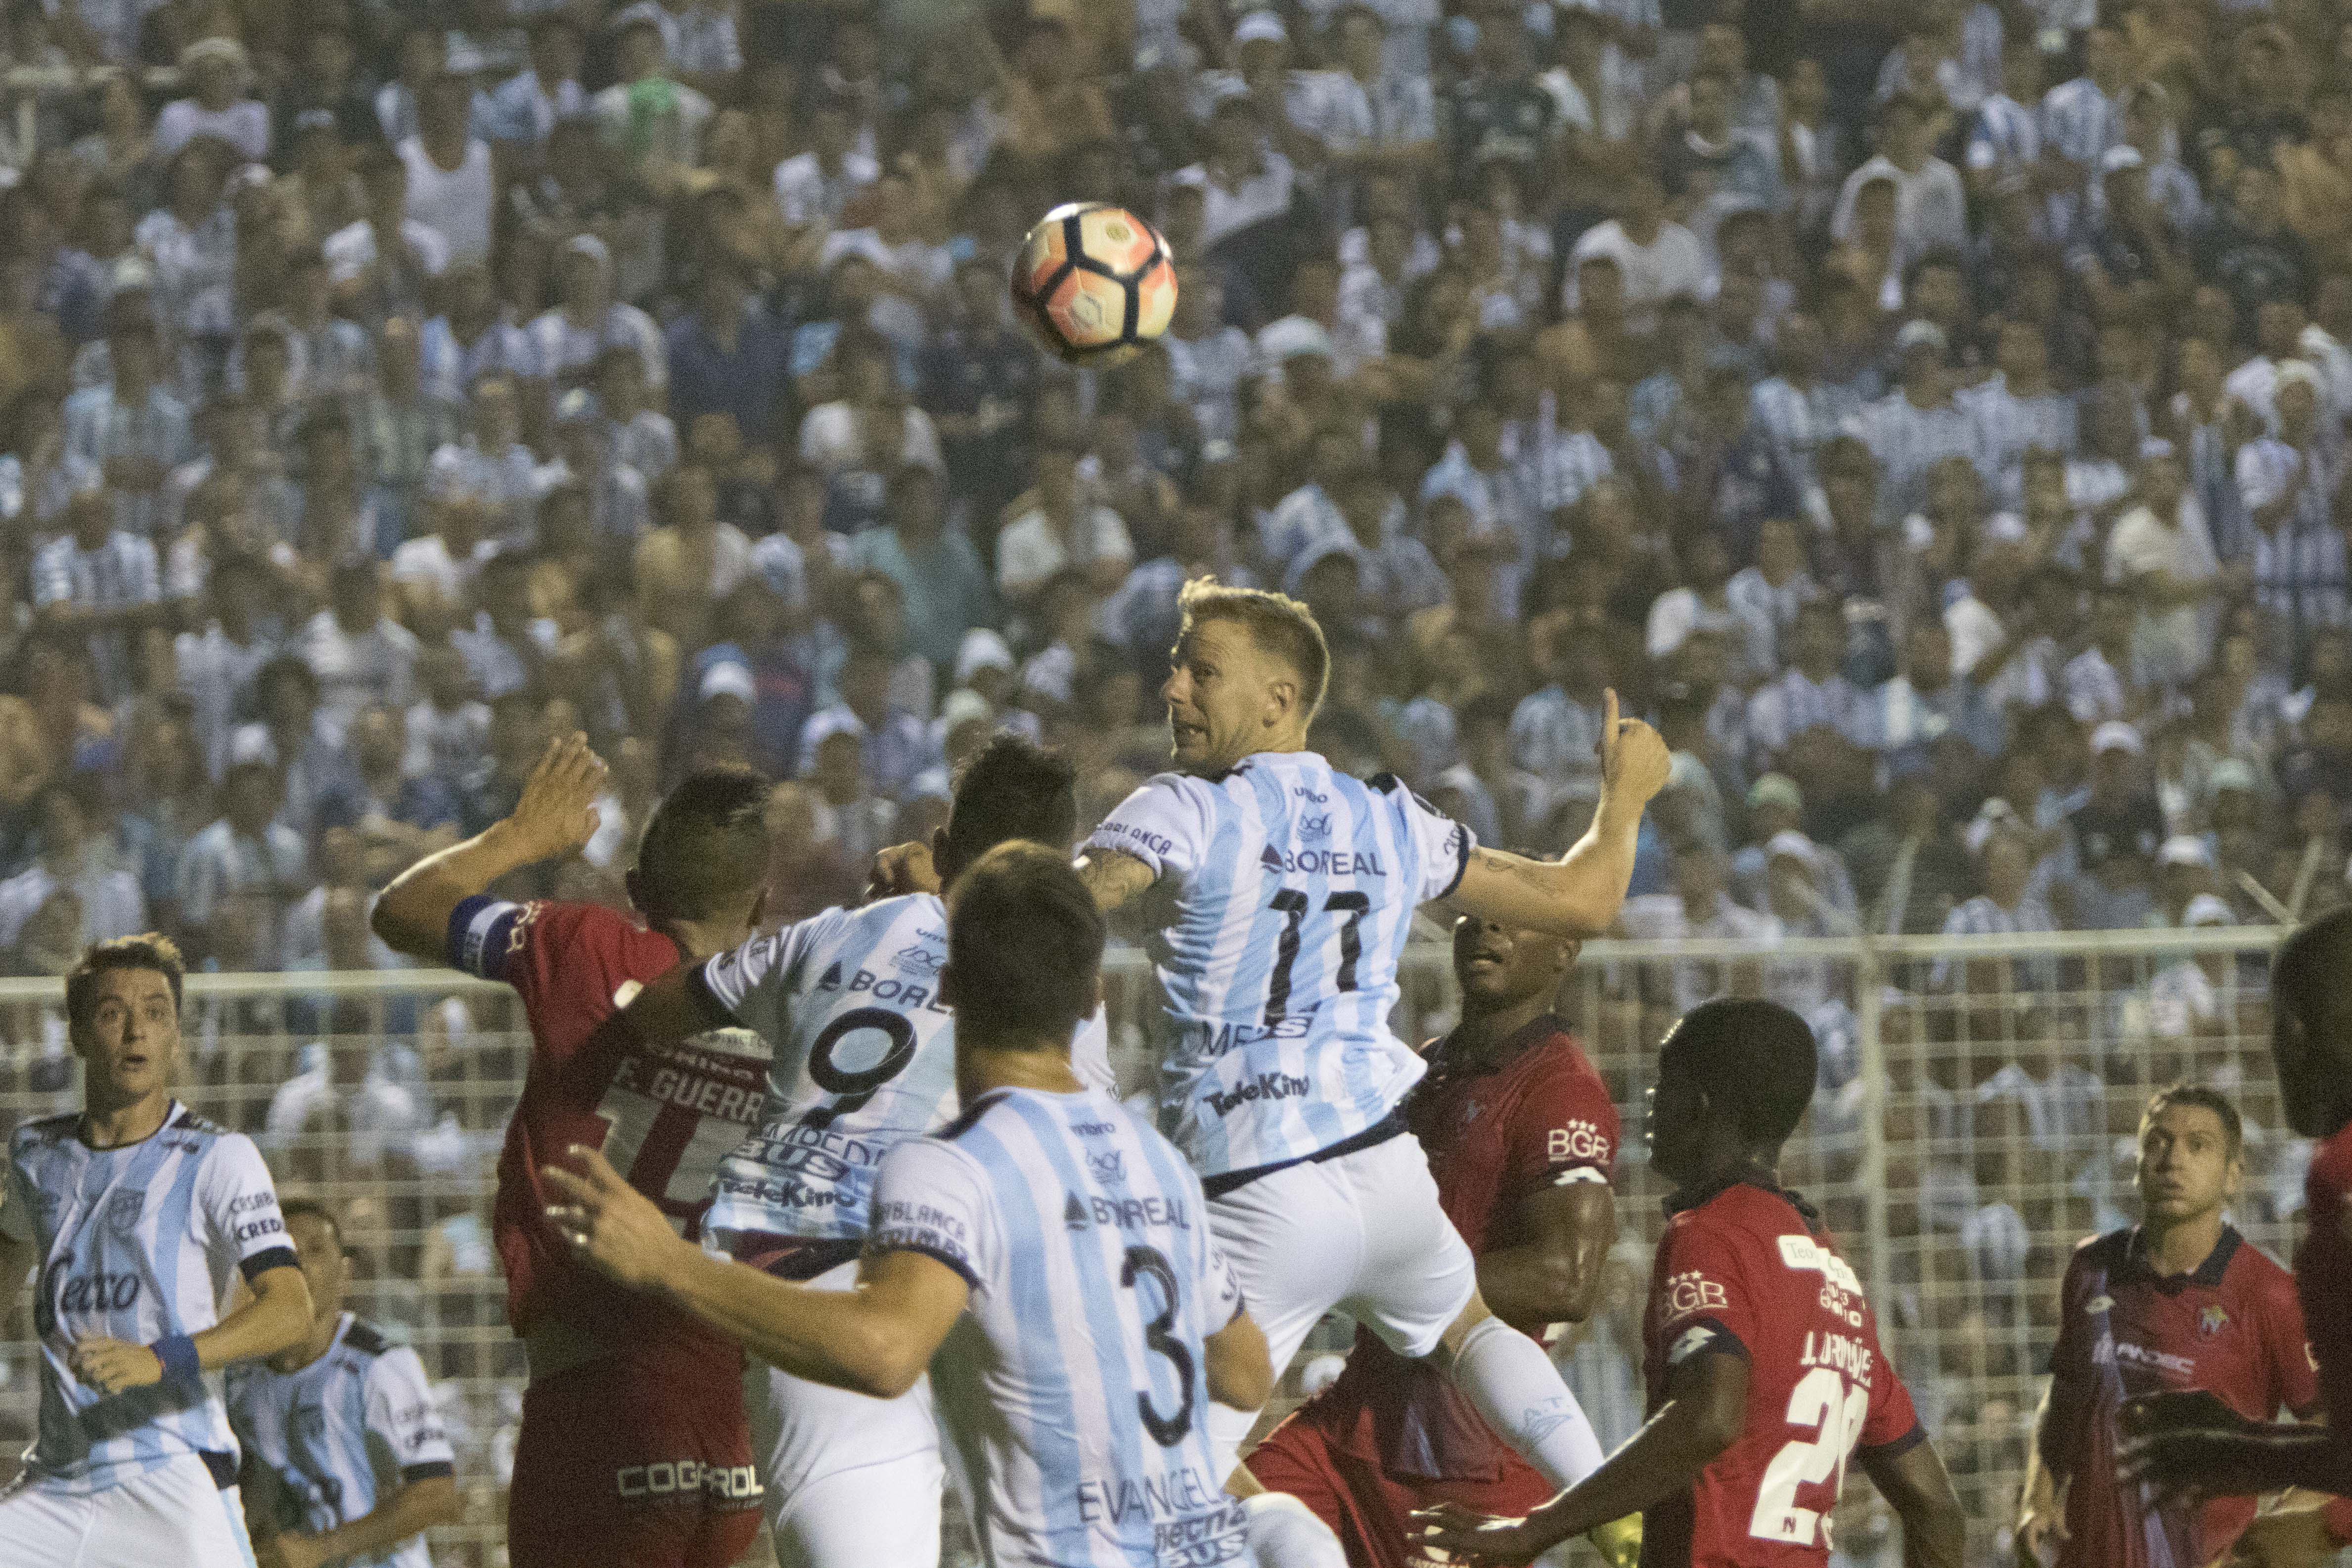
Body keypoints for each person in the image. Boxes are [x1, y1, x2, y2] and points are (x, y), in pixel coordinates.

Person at [881, 580, 1670, 1525]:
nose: (1172, 688)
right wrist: (1623, 799)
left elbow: (1069, 905)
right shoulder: (1390, 817)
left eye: (1199, 670)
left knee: (1166, 1466)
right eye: (1176, 665)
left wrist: (952, 898)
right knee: (1464, 1324)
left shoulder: (1186, 808)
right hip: (1385, 1174)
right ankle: (1609, 1505)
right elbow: (1582, 899)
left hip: (1258, 1188)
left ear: (1279, 700)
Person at [543, 843, 1345, 1568]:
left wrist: (672, 1263)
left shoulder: (953, 1167)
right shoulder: (1155, 1162)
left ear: (950, 987)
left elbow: (886, 1350)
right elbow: (1243, 1374)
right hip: (1211, 1552)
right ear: (1092, 995)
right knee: (1284, 1524)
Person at [604, 736, 1111, 1568]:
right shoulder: (1059, 997)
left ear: (945, 849)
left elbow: (649, 1011)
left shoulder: (826, 937)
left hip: (795, 1266)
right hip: (962, 1285)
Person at [369, 736, 769, 1568]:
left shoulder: (584, 945)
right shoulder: (792, 996)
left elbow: (402, 909)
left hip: (602, 1409)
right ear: (759, 905)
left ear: (635, 892)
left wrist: (520, 835)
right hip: (733, 1426)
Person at [1414, 998, 1964, 1566]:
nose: (1649, 1100)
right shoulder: (1836, 1280)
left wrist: (1534, 1530)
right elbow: (1936, 1509)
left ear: (1697, 1107)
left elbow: (1709, 1417)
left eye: (1663, 1081)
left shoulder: (1712, 1233)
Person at [1245, 911, 1631, 1567]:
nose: (1488, 931)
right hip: (1357, 1416)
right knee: (1210, 1532)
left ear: (1565, 951)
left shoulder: (1561, 1087)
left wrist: (1379, 1280)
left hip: (1463, 1453)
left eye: (1512, 921)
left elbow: (1564, 1278)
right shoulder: (1427, 1068)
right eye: (1472, 918)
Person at [0, 935, 314, 1567]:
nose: (135, 1030)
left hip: (172, 1473)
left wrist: (158, 1359)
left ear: (175, 1035)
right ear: (80, 1035)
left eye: (155, 1011)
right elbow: (8, 1265)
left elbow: (291, 1310)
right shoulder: (36, 1154)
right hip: (59, 1482)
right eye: (113, 1013)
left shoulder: (219, 1157)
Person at [2017, 1085, 2325, 1568]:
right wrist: (2036, 1499)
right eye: (2157, 1142)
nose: (2172, 1159)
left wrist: (2259, 1545)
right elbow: (2064, 1395)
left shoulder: (2270, 1294)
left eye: (2197, 1145)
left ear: (2232, 1177)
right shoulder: (2091, 1266)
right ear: (2137, 1166)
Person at [2123, 909, 2352, 1510]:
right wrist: (2243, 1440)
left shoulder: (2343, 1172)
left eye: (2274, 1031)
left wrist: (2239, 1452)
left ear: (2298, 1035)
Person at [227, 1200, 459, 1568]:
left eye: (315, 1251)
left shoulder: (381, 1365)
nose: (299, 1264)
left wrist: (321, 1550)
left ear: (345, 1273)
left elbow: (437, 1495)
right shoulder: (241, 1381)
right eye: (285, 1252)